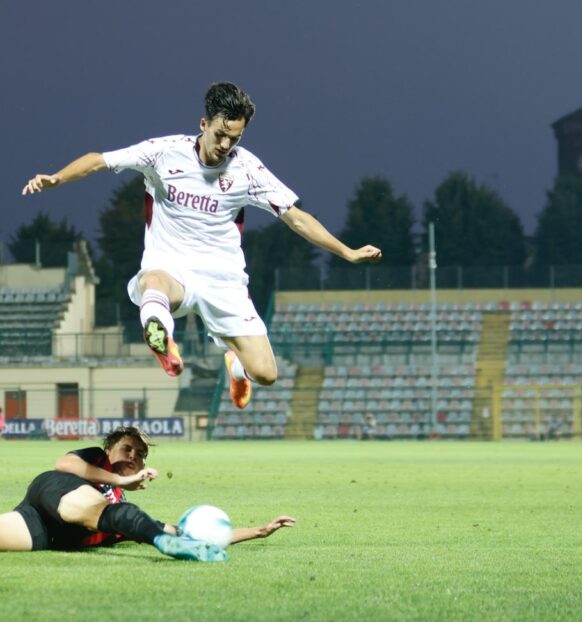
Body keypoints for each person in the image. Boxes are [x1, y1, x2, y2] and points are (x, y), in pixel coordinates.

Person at [22, 82, 381, 410]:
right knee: (153, 281)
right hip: (171, 265)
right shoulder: (163, 153)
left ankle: (235, 367)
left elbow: (297, 217)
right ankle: (163, 341)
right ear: (204, 123)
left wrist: (346, 251)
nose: (226, 145)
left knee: (266, 373)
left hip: (223, 279)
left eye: (235, 139)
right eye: (222, 134)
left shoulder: (248, 170)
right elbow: (100, 160)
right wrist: (57, 178)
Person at [0, 426, 296, 562]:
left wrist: (258, 531)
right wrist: (119, 481)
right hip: (53, 493)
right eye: (128, 449)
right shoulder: (95, 464)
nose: (134, 458)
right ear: (110, 448)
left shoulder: (122, 512)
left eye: (141, 456)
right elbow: (64, 467)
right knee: (113, 512)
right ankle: (163, 550)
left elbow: (192, 532)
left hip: (45, 530)